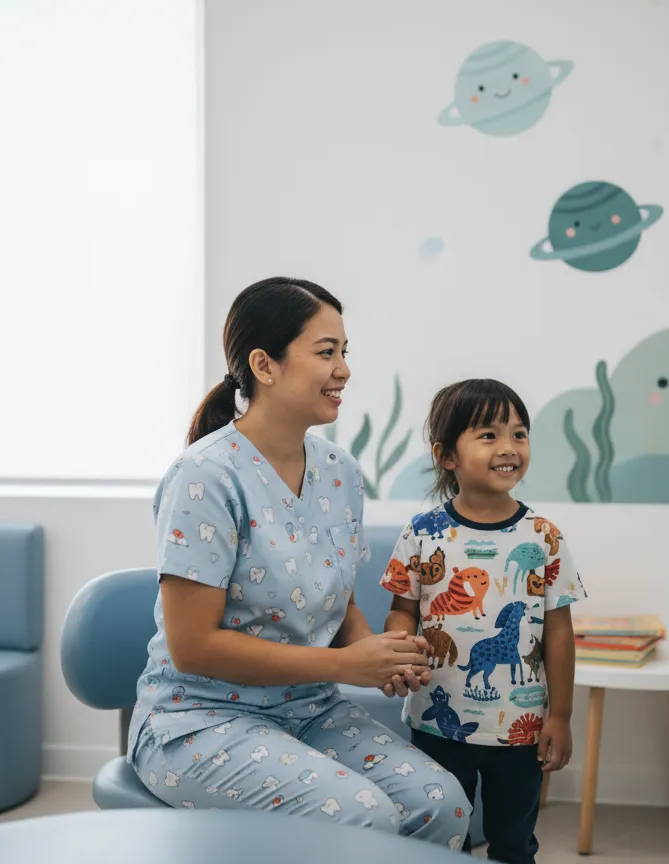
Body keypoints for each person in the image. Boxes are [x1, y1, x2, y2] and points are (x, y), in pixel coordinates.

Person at [127, 277, 471, 848]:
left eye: (345, 352)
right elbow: (192, 648)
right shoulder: (204, 477)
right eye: (326, 352)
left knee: (442, 806)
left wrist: (379, 656)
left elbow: (339, 602)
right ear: (264, 365)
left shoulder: (341, 472)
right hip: (195, 723)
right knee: (364, 818)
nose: (344, 370)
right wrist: (344, 666)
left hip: (309, 710)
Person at [381, 379, 586, 863]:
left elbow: (558, 630)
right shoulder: (423, 532)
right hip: (437, 721)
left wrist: (560, 715)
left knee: (514, 843)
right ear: (447, 456)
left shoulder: (544, 537)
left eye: (519, 434)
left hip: (520, 728)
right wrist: (396, 653)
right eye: (489, 435)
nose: (509, 448)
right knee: (438, 836)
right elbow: (402, 610)